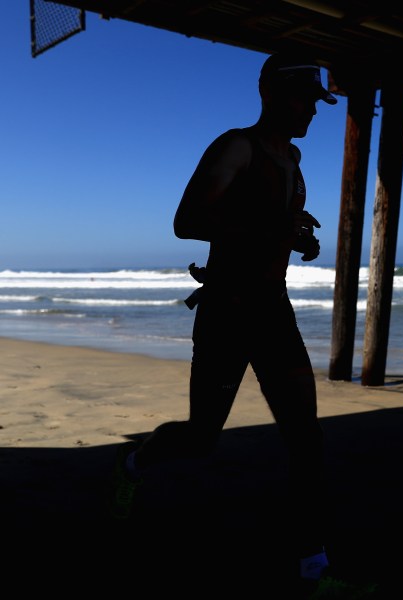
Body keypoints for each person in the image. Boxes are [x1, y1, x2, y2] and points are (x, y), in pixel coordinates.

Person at [109, 51, 341, 590]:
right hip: (227, 312)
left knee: (306, 439)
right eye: (307, 99)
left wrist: (298, 232)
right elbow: (188, 220)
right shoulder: (237, 145)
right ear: (275, 93)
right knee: (200, 437)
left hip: (273, 310)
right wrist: (273, 230)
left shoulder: (295, 160)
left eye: (317, 102)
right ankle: (133, 465)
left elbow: (269, 219)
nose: (313, 111)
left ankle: (314, 568)